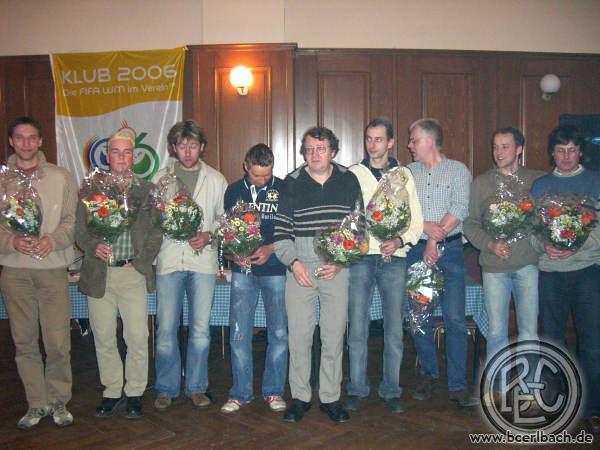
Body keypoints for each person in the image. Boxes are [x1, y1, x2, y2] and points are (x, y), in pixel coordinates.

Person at [274, 126, 362, 423]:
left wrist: (341, 262)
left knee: (333, 337)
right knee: (299, 338)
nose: (314, 154)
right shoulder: (291, 182)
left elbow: (358, 227)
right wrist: (294, 263)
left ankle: (330, 398)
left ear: (333, 152)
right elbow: (281, 231)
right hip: (300, 268)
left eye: (321, 149)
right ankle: (300, 397)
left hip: (335, 269)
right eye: (309, 149)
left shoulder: (348, 180)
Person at [76, 127, 162, 419]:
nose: (122, 158)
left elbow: (157, 232)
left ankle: (135, 392)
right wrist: (93, 246)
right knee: (103, 337)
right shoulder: (92, 189)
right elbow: (80, 230)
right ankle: (112, 391)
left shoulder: (147, 189)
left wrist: (142, 261)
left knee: (137, 336)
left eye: (127, 153)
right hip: (99, 273)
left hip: (132, 273)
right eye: (116, 152)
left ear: (134, 157)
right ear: (107, 156)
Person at [0, 116, 78, 429]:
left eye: (32, 137)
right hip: (15, 270)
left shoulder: (60, 177)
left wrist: (52, 241)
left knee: (57, 341)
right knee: (24, 342)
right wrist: (11, 241)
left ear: (41, 141)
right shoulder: (2, 180)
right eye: (20, 138)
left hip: (52, 268)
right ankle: (36, 403)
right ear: (11, 141)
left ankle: (58, 401)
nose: (26, 143)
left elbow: (72, 221)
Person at [345, 117, 423, 413]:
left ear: (390, 142)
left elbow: (416, 220)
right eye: (369, 138)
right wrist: (355, 241)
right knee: (357, 328)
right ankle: (357, 388)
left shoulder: (404, 174)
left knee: (393, 329)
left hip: (394, 259)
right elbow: (346, 217)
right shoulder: (354, 173)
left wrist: (399, 241)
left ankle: (391, 390)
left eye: (379, 139)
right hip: (361, 258)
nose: (372, 144)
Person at [153, 120, 228, 411]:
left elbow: (225, 221)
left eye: (193, 146)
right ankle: (166, 388)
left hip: (202, 262)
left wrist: (209, 235)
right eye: (182, 146)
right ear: (173, 148)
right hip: (169, 260)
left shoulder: (216, 179)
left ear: (202, 147)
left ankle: (197, 387)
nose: (187, 151)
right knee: (165, 330)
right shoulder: (161, 178)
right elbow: (152, 220)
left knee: (200, 331)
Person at [530, 125, 600, 434]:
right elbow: (531, 230)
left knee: (592, 342)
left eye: (572, 150)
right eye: (561, 151)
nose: (567, 156)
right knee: (552, 340)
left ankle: (593, 407)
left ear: (580, 152)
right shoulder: (541, 186)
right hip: (550, 272)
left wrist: (576, 246)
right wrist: (543, 246)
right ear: (552, 153)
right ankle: (556, 402)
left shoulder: (595, 182)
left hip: (587, 271)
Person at [406, 118, 478, 407]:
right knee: (419, 319)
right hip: (416, 252)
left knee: (455, 320)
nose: (410, 145)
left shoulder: (458, 170)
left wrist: (433, 241)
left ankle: (457, 384)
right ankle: (428, 373)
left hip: (450, 253)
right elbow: (403, 212)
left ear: (430, 141)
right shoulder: (408, 173)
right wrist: (425, 228)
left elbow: (460, 208)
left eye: (414, 140)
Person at [464, 127, 544, 366]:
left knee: (529, 331)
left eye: (505, 147)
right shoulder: (481, 183)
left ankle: (530, 381)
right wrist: (490, 244)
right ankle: (496, 380)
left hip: (527, 264)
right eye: (495, 147)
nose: (498, 152)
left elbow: (545, 220)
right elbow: (470, 224)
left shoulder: (536, 180)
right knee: (496, 331)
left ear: (519, 149)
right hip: (493, 267)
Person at [220, 144, 288, 414]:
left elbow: (290, 229)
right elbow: (227, 231)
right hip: (243, 272)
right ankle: (240, 392)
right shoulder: (233, 191)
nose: (263, 180)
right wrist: (233, 254)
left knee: (279, 333)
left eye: (267, 175)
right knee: (239, 333)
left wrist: (271, 248)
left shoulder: (282, 189)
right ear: (246, 166)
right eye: (257, 175)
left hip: (276, 270)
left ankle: (273, 391)